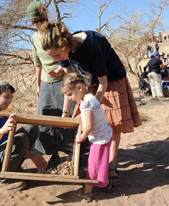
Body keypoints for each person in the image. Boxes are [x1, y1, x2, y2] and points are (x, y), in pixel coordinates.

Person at [39, 21, 142, 184]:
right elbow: (72, 82)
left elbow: (103, 83)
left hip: (111, 79)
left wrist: (92, 107)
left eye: (57, 55)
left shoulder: (91, 46)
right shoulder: (63, 55)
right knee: (83, 119)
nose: (57, 59)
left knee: (112, 123)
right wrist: (66, 113)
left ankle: (111, 165)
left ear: (65, 45)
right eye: (53, 57)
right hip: (90, 82)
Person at [0, 80, 47, 189]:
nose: (10, 101)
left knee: (32, 128)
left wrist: (32, 154)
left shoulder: (5, 116)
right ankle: (1, 180)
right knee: (21, 139)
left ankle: (12, 170)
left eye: (11, 98)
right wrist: (2, 130)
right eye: (7, 97)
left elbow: (11, 147)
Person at [26, 1, 75, 168]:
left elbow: (67, 57)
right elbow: (37, 62)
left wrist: (60, 71)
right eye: (35, 21)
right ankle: (53, 154)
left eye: (41, 20)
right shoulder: (33, 38)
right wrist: (38, 85)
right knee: (45, 120)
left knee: (66, 118)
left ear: (46, 17)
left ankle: (73, 153)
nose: (39, 24)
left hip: (62, 79)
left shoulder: (56, 31)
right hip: (46, 84)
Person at [61, 72, 112, 202]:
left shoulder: (85, 103)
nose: (71, 98)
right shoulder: (89, 97)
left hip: (99, 139)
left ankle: (87, 191)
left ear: (79, 88)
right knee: (101, 162)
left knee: (93, 165)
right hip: (103, 134)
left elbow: (88, 126)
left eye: (70, 95)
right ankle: (103, 182)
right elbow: (85, 117)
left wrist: (81, 138)